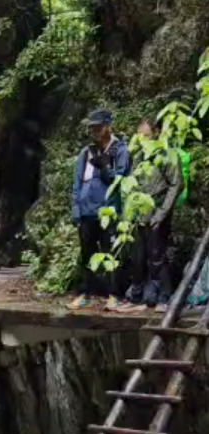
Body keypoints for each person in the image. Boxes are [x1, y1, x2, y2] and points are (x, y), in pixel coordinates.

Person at [113, 118, 182, 313]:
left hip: (157, 213)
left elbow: (176, 184)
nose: (143, 139)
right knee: (138, 257)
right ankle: (136, 298)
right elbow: (132, 184)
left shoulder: (167, 153)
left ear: (157, 133)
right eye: (140, 136)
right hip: (138, 215)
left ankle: (164, 298)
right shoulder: (138, 155)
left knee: (157, 257)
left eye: (146, 135)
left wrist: (162, 213)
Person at [69, 107, 131, 311]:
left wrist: (104, 167)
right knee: (87, 254)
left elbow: (121, 179)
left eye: (98, 127)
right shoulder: (86, 152)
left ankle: (114, 294)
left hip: (109, 210)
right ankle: (86, 293)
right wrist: (76, 210)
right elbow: (77, 184)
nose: (94, 131)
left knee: (111, 253)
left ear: (107, 126)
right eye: (91, 128)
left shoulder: (120, 149)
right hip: (87, 211)